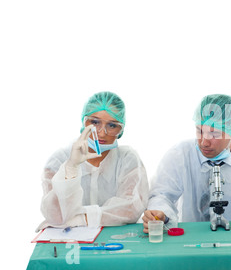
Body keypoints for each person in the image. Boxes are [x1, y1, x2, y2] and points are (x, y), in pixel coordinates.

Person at [37, 91, 149, 231]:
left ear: (121, 130)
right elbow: (54, 214)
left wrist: (82, 219)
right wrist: (71, 168)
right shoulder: (58, 160)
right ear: (84, 122)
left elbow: (132, 207)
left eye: (112, 126)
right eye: (95, 122)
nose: (102, 133)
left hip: (114, 239)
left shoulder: (127, 159)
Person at [142, 94, 231, 232]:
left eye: (214, 134)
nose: (204, 142)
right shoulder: (180, 154)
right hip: (191, 236)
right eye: (200, 131)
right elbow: (162, 194)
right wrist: (161, 214)